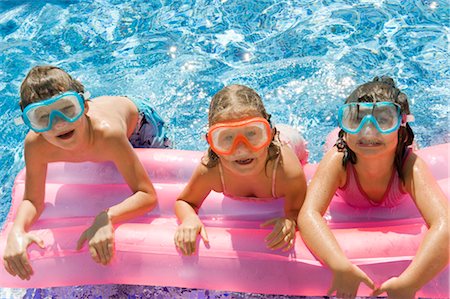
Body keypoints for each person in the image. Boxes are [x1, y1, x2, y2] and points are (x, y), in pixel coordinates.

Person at [3, 65, 170, 280]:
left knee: (162, 174)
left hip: (140, 123)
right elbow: (33, 200)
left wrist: (106, 217)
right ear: (31, 124)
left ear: (84, 107)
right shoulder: (36, 145)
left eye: (67, 108)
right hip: (103, 121)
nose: (59, 123)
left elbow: (147, 194)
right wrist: (17, 230)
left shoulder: (107, 135)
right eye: (42, 117)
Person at [298, 76, 449, 298]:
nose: (368, 131)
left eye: (384, 121)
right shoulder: (338, 161)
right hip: (342, 145)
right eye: (355, 120)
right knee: (333, 142)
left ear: (400, 126)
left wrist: (411, 282)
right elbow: (308, 214)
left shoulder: (408, 166)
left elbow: (445, 224)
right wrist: (339, 265)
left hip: (396, 148)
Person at [174, 84, 308, 256]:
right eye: (227, 138)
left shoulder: (286, 170)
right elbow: (185, 202)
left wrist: (291, 220)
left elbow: (299, 211)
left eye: (252, 134)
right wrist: (189, 218)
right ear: (212, 144)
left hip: (290, 140)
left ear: (270, 134)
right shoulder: (211, 171)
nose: (241, 149)